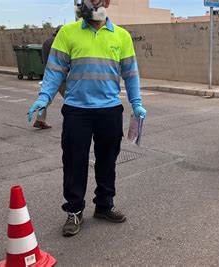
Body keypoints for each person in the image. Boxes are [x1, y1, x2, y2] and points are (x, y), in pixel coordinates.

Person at [27, 0, 147, 236]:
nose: (94, 2)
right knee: (74, 161)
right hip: (76, 110)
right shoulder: (68, 33)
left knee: (108, 160)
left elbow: (131, 74)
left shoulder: (121, 36)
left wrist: (137, 103)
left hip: (110, 110)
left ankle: (104, 205)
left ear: (107, 2)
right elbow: (54, 70)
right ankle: (74, 210)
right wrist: (44, 97)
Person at [32, 25, 65, 129]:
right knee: (72, 99)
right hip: (60, 75)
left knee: (46, 98)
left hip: (49, 73)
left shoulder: (47, 41)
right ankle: (75, 120)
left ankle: (40, 120)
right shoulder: (59, 42)